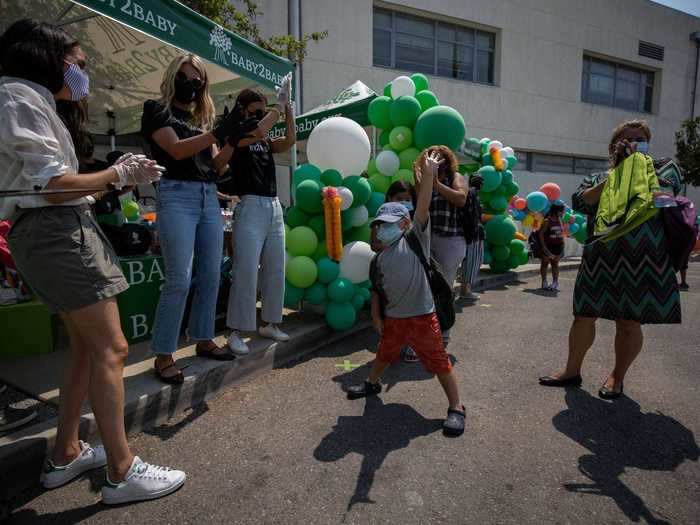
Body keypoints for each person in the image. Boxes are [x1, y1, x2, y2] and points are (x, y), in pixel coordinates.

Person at [0, 19, 185, 504]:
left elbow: (54, 179)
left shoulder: (31, 101)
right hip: (57, 231)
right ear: (47, 58)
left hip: (54, 230)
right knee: (112, 349)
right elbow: (51, 184)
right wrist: (115, 171)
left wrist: (115, 178)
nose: (84, 74)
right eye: (78, 65)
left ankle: (65, 452)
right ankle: (122, 471)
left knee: (85, 348)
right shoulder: (19, 96)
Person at [539, 120, 681, 399]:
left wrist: (636, 171)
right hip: (600, 258)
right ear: (613, 147)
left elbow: (665, 200)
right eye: (626, 140)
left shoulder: (664, 168)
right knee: (583, 315)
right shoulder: (598, 177)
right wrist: (617, 175)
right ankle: (571, 370)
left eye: (640, 139)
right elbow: (581, 202)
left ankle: (617, 377)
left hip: (642, 258)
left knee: (629, 321)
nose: (633, 143)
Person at [141, 54, 254, 383]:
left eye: (199, 80)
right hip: (175, 194)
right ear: (174, 76)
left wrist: (233, 139)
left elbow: (218, 167)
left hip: (207, 196)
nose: (193, 84)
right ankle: (163, 354)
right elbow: (176, 150)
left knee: (211, 274)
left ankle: (203, 338)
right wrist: (219, 132)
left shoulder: (203, 122)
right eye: (187, 77)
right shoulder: (156, 109)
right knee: (179, 278)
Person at [347, 149, 466, 437]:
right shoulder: (380, 258)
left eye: (387, 226)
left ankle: (457, 407)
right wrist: (377, 315)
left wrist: (428, 176)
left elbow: (423, 205)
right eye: (378, 226)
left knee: (438, 361)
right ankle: (372, 383)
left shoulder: (415, 237)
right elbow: (377, 289)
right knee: (385, 352)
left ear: (404, 224)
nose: (380, 231)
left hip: (423, 318)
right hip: (395, 320)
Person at [212, 79, 296, 356]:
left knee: (275, 268)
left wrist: (289, 112)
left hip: (273, 205)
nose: (259, 114)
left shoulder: (263, 138)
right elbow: (260, 129)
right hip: (249, 205)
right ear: (243, 109)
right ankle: (236, 330)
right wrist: (278, 106)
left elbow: (289, 142)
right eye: (255, 109)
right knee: (246, 271)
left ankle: (270, 322)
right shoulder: (238, 133)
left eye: (263, 110)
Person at [422, 145, 468, 345]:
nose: (435, 161)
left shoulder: (456, 177)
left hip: (451, 241)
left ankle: (445, 332)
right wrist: (425, 175)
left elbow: (461, 199)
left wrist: (435, 183)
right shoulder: (424, 176)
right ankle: (428, 329)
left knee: (445, 288)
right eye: (431, 157)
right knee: (426, 288)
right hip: (428, 240)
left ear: (447, 160)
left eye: (439, 158)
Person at [382, 180, 419, 363]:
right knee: (393, 310)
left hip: (411, 271)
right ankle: (394, 345)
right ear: (389, 198)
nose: (404, 202)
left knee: (412, 309)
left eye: (407, 199)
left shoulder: (416, 221)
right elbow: (375, 244)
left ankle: (413, 344)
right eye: (399, 198)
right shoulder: (382, 219)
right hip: (389, 271)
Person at [459, 173, 484, 301]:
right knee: (472, 261)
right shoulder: (472, 193)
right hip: (473, 233)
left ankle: (466, 289)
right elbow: (471, 215)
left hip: (472, 232)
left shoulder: (471, 193)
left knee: (469, 261)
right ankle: (465, 290)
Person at [537, 202, 565, 291]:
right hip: (548, 247)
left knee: (555, 264)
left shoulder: (560, 220)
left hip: (558, 247)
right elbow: (540, 234)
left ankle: (555, 282)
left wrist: (563, 244)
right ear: (557, 211)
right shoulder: (547, 221)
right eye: (562, 211)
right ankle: (544, 282)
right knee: (545, 264)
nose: (563, 213)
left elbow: (561, 233)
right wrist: (543, 247)